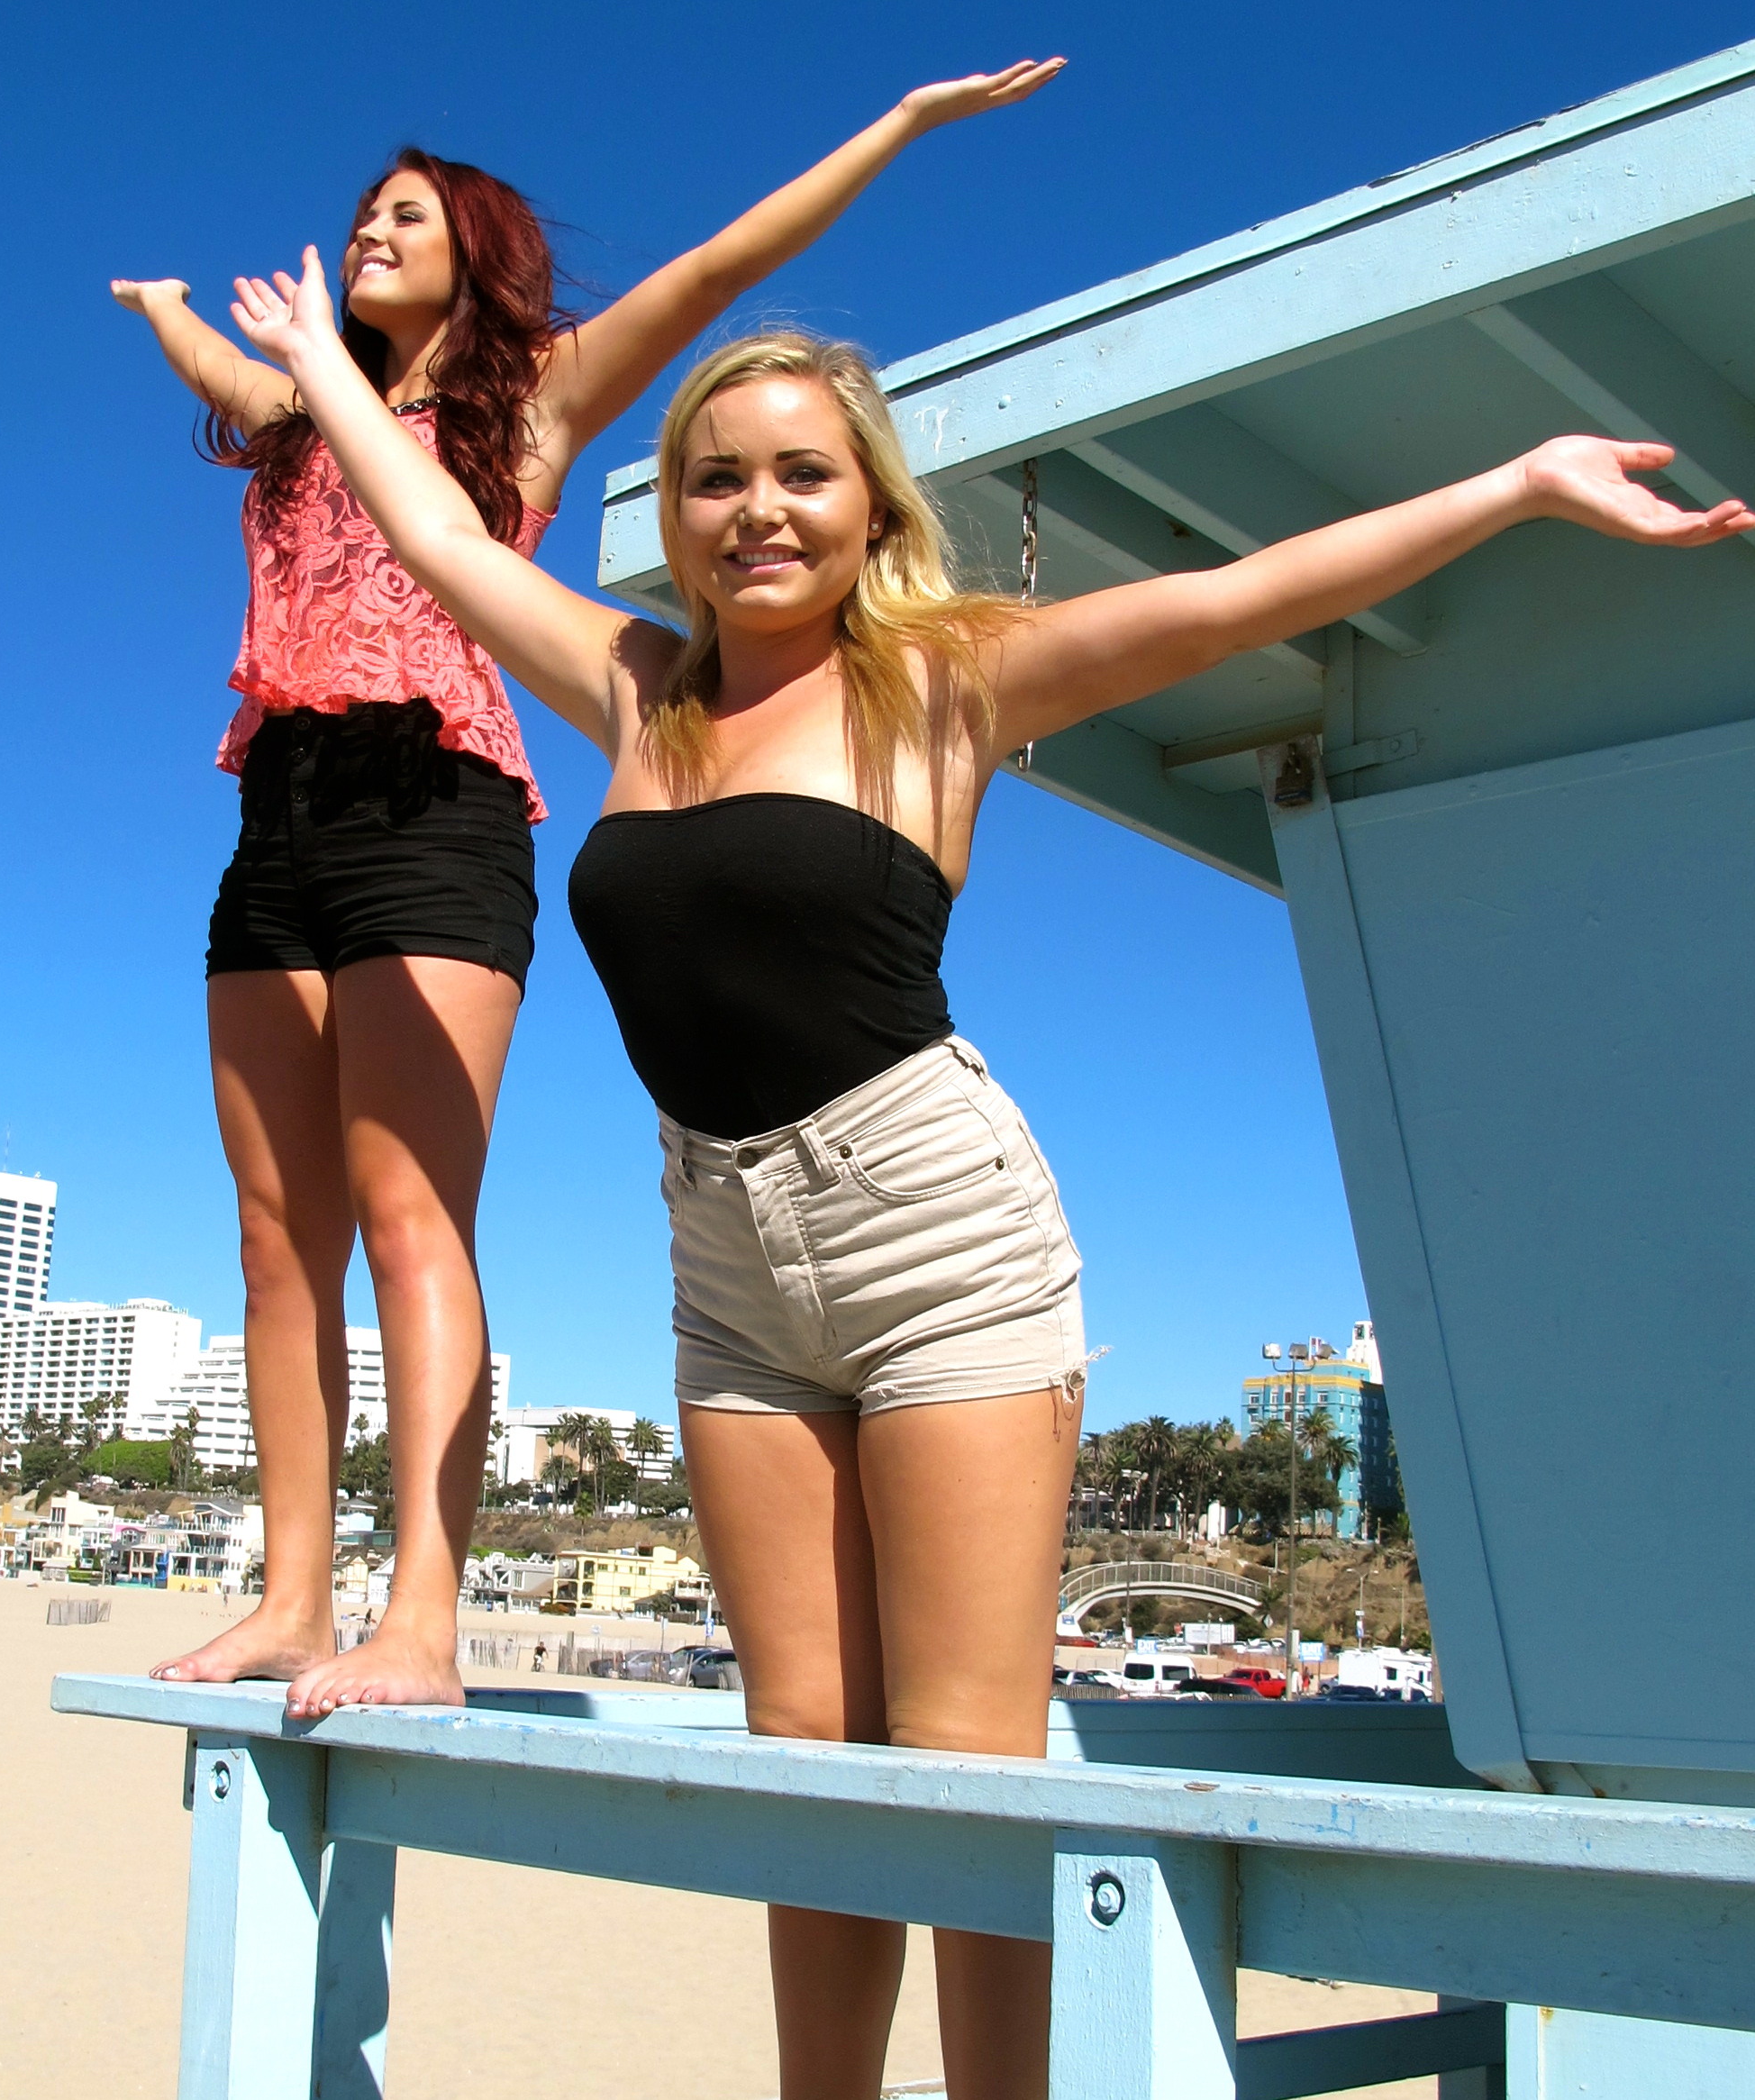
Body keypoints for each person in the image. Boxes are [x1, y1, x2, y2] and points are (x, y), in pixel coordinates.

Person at [226, 250, 1749, 2097]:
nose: (758, 510)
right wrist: (319, 368)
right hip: (724, 1260)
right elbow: (443, 543)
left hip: (933, 1233)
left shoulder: (947, 680)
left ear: (871, 506)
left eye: (803, 473)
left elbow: (1240, 595)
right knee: (804, 1753)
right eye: (716, 479)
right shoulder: (640, 693)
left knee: (962, 1758)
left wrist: (1513, 484)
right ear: (674, 520)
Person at [113, 60, 1067, 1711]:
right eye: (362, 213)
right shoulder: (302, 406)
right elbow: (219, 364)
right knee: (276, 1237)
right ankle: (288, 1597)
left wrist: (899, 129)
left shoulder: (532, 400)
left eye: (408, 216)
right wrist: (165, 310)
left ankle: (421, 1615)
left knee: (410, 1214)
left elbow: (716, 271)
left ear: (478, 253)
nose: (370, 230)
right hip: (276, 806)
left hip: (437, 796)